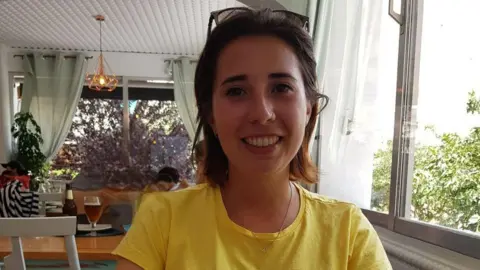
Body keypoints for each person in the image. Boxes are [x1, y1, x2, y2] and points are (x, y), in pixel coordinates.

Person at [114, 8, 392, 269]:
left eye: (281, 87)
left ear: (308, 108)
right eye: (236, 91)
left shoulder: (348, 231)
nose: (262, 113)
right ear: (211, 115)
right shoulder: (163, 218)